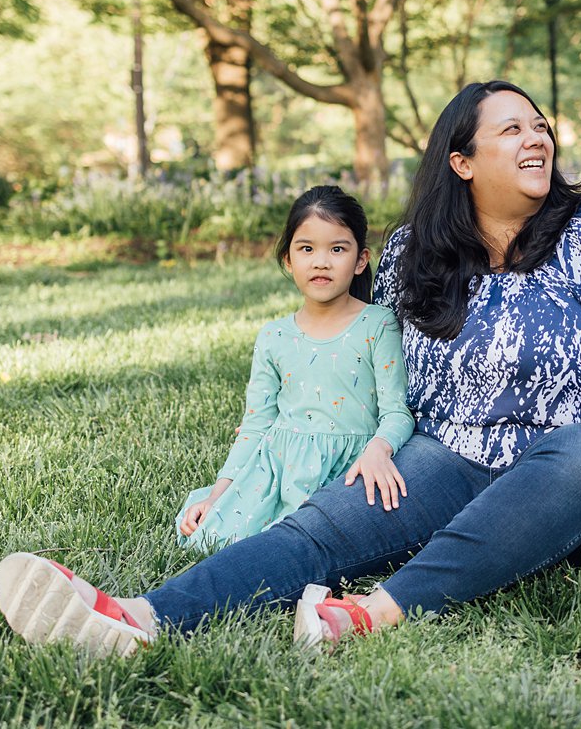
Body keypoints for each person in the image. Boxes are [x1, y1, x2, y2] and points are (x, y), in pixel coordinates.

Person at [0, 80, 581, 656]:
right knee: (318, 532)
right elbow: (347, 354)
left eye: (541, 125)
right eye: (512, 129)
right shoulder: (410, 255)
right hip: (442, 452)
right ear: (462, 161)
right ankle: (140, 618)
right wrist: (259, 465)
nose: (537, 137)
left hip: (562, 468)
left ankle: (373, 612)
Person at [174, 185, 414, 552]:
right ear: (288, 260)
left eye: (337, 249)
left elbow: (397, 411)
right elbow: (255, 426)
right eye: (307, 249)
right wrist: (218, 497)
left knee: (322, 543)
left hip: (349, 471)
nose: (321, 262)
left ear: (361, 260)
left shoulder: (378, 324)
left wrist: (378, 450)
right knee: (217, 535)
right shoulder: (274, 336)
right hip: (281, 471)